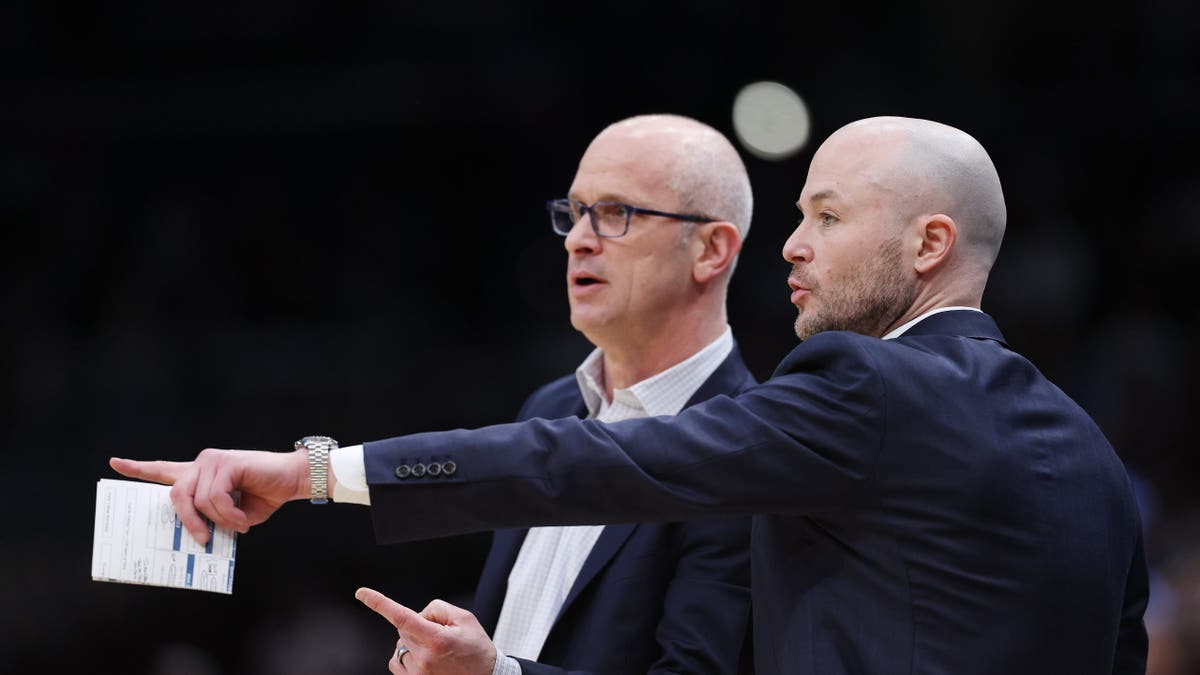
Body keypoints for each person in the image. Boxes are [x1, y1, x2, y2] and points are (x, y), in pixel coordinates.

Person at [113, 116, 1150, 674]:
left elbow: (595, 462)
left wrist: (311, 472)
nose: (794, 246)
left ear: (928, 245)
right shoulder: (1094, 456)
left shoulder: (866, 387)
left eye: (827, 218)